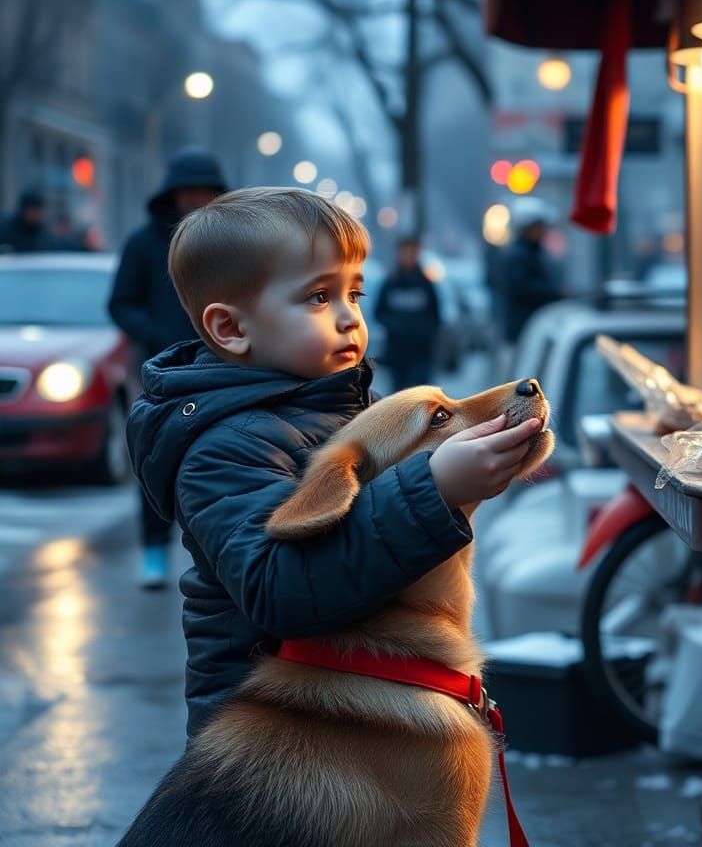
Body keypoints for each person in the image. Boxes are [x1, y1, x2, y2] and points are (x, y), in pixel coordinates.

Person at [124, 186, 541, 739]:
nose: (349, 318)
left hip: (343, 712)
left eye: (355, 293)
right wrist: (433, 490)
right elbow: (280, 591)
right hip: (273, 747)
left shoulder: (330, 405)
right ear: (231, 328)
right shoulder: (222, 448)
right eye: (320, 297)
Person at [108, 147, 228, 589]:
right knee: (156, 460)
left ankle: (211, 551)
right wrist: (156, 334)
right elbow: (120, 302)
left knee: (217, 459)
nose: (197, 200)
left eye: (206, 192)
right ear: (172, 196)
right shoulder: (142, 244)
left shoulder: (232, 244)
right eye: (189, 192)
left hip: (222, 369)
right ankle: (154, 550)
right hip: (163, 374)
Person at [373, 235, 441, 390]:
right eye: (405, 251)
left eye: (412, 251)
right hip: (397, 353)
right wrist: (395, 325)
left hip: (421, 352)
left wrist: (423, 331)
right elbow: (378, 312)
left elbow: (435, 316)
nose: (408, 256)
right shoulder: (391, 283)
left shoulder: (425, 284)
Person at [500, 197, 563, 347]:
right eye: (539, 226)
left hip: (531, 327)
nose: (543, 231)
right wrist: (554, 292)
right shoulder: (519, 255)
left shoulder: (533, 252)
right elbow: (523, 288)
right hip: (524, 329)